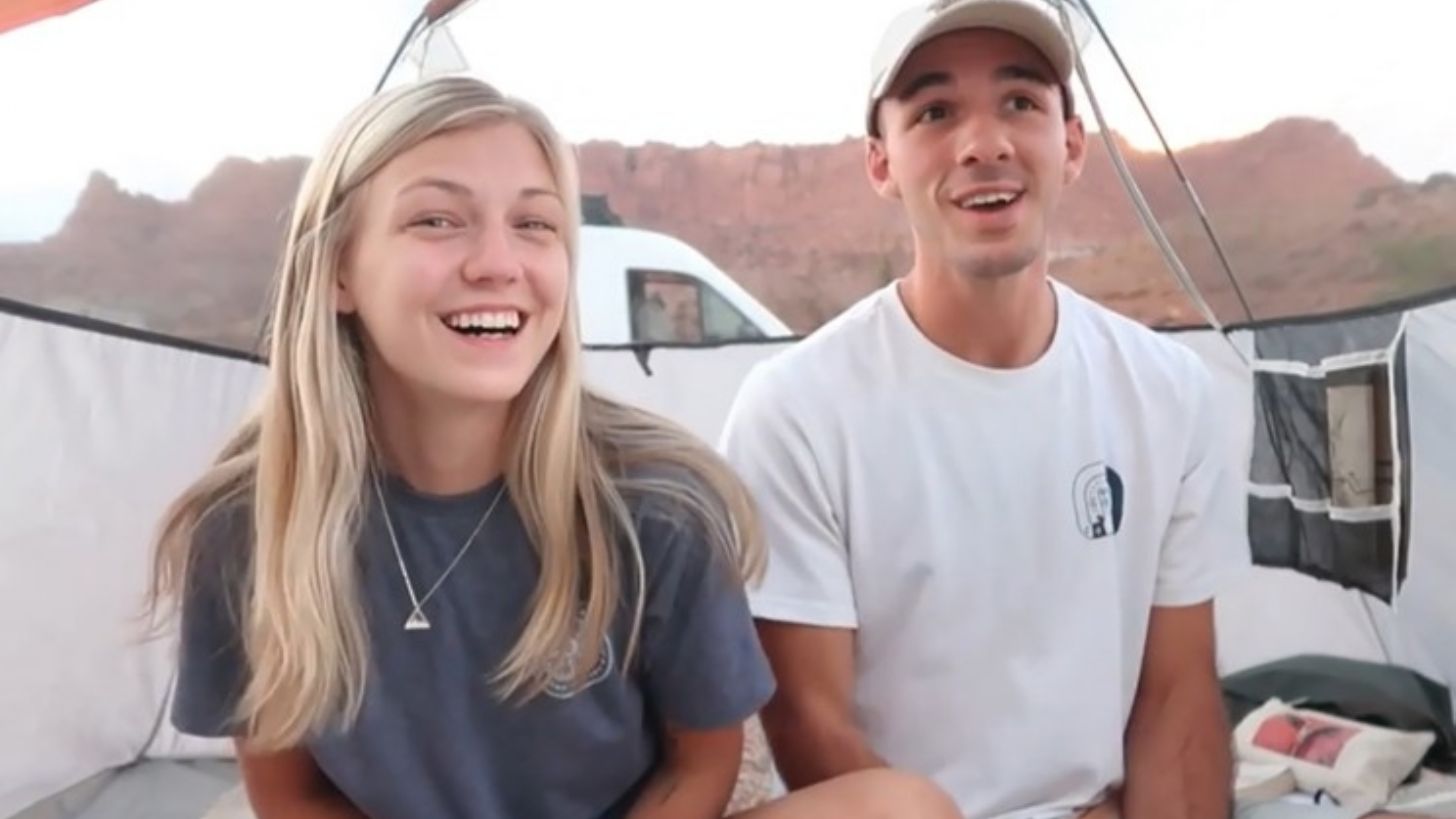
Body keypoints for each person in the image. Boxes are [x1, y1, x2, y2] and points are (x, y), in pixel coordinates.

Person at [144, 76, 959, 819]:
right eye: (436, 220)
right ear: (337, 272)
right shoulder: (251, 521)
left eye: (534, 224)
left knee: (906, 807)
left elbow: (701, 763)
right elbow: (292, 795)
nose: (498, 264)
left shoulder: (658, 503)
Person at [717, 1, 1256, 817]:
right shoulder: (795, 411)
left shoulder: (1168, 391)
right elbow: (811, 726)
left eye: (1020, 101)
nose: (984, 144)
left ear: (1071, 145)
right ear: (881, 163)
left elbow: (1176, 699)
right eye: (935, 112)